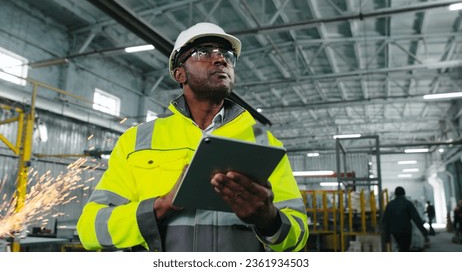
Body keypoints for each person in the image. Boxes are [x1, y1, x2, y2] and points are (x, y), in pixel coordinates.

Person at [76, 22, 309, 252]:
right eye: (204, 52)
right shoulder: (137, 141)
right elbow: (90, 229)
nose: (221, 59)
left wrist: (268, 220)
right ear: (180, 74)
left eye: (226, 54)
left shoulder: (263, 142)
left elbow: (299, 235)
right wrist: (160, 206)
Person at [381, 186, 429, 252]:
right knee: (405, 248)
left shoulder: (390, 204)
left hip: (394, 232)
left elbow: (385, 220)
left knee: (400, 247)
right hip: (406, 230)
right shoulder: (408, 204)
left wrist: (386, 236)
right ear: (404, 193)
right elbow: (416, 219)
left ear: (395, 194)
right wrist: (425, 233)